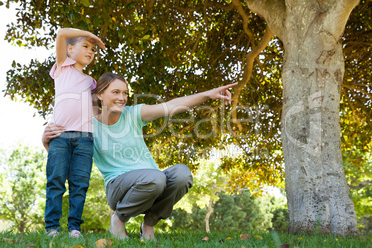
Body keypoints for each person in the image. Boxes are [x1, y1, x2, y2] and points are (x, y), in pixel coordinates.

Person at [43, 72, 237, 240]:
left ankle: (149, 225)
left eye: (125, 93)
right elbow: (68, 172)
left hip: (153, 182)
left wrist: (207, 95)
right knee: (156, 178)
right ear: (100, 94)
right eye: (116, 92)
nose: (122, 97)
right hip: (118, 188)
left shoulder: (133, 114)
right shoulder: (87, 126)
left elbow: (171, 106)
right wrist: (46, 142)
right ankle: (119, 219)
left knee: (182, 174)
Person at [44, 28, 105, 238]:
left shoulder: (91, 82)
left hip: (84, 139)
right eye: (86, 46)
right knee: (56, 181)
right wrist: (92, 35)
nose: (91, 50)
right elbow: (61, 33)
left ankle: (74, 228)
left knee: (80, 184)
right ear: (70, 49)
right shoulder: (63, 67)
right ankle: (52, 227)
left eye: (93, 49)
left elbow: (97, 112)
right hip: (60, 136)